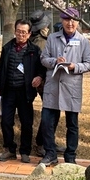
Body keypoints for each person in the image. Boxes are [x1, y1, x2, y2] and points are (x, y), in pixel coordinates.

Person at [39, 8, 90, 165]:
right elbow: (44, 58)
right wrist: (55, 61)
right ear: (61, 21)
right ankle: (50, 153)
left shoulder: (83, 41)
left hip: (71, 86)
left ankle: (70, 156)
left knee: (72, 124)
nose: (70, 23)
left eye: (74, 20)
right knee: (47, 122)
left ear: (78, 22)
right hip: (53, 85)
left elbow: (89, 64)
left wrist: (74, 66)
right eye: (67, 19)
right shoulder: (52, 38)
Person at [0, 19, 44, 164]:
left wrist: (39, 77)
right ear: (15, 31)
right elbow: (0, 69)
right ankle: (9, 149)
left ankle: (25, 151)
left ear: (29, 34)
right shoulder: (7, 48)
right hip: (8, 91)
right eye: (18, 31)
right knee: (6, 121)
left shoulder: (34, 51)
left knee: (26, 123)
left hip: (25, 92)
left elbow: (41, 70)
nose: (20, 34)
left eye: (24, 32)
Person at [29, 10, 53, 157]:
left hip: (44, 80)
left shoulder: (40, 38)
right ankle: (42, 143)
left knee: (51, 112)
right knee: (49, 113)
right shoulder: (40, 41)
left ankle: (47, 141)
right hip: (44, 81)